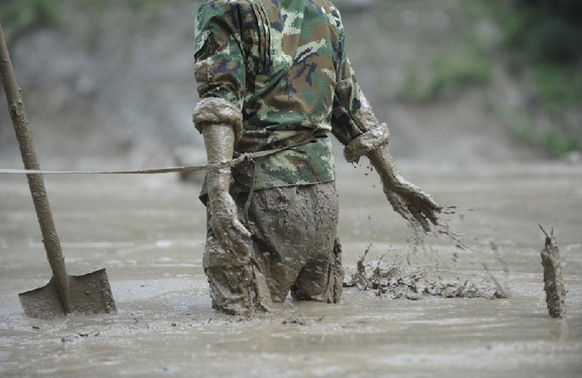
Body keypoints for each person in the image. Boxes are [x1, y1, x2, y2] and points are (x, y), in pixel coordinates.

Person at [192, 0, 441, 316]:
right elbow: (349, 100)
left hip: (261, 199)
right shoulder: (325, 10)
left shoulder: (227, 7)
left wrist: (218, 190)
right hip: (321, 205)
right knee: (320, 329)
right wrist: (392, 176)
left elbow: (219, 104)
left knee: (245, 332)